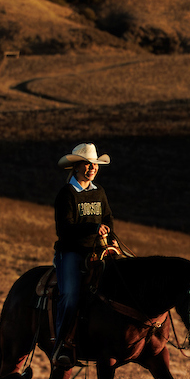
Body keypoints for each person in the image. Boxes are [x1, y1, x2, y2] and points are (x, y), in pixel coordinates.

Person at [53, 143, 115, 367]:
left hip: (97, 251)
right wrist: (92, 228)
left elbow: (107, 218)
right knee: (69, 295)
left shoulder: (99, 192)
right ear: (77, 166)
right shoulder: (66, 194)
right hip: (71, 252)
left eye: (95, 165)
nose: (92, 168)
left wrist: (112, 237)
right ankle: (61, 345)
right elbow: (64, 229)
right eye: (88, 164)